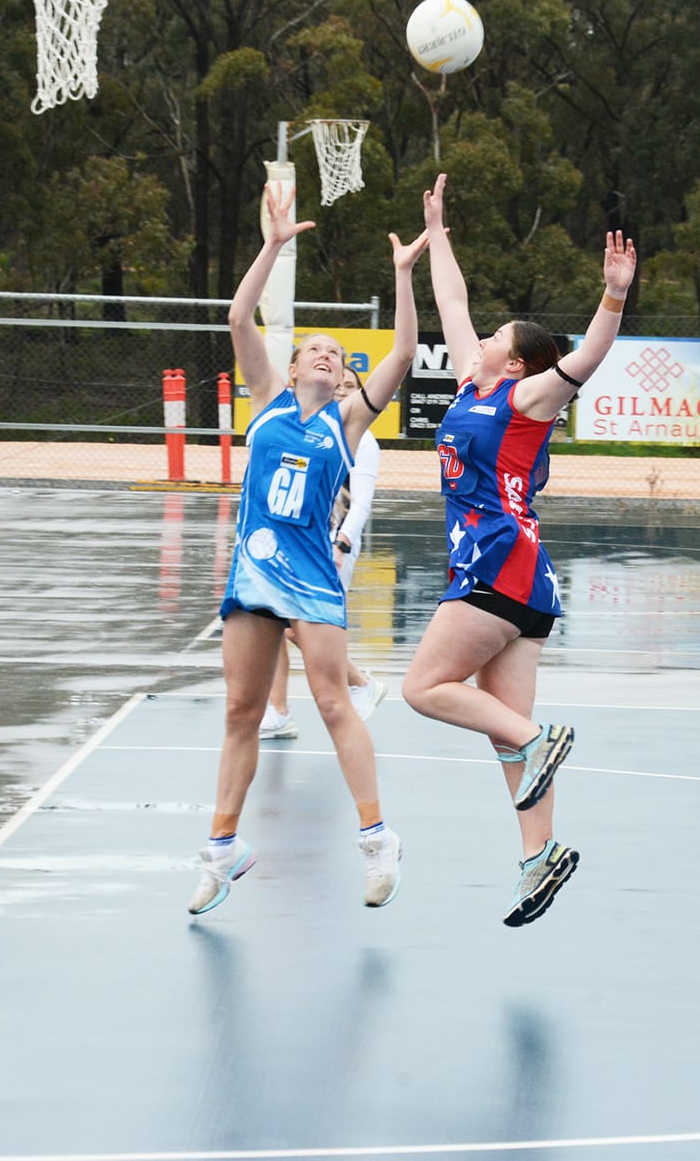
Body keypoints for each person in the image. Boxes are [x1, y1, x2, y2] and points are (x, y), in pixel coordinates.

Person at [400, 172, 637, 927]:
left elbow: (586, 358)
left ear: (515, 363)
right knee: (506, 737)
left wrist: (614, 295)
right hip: (524, 580)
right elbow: (454, 302)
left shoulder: (527, 400)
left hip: (497, 563)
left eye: (495, 339)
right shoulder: (474, 387)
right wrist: (438, 234)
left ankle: (545, 739)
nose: (479, 340)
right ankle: (539, 856)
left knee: (424, 689)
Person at [190, 180, 428, 916]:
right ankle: (223, 848)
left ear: (343, 375)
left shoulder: (347, 423)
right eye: (313, 349)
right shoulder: (266, 402)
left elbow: (406, 350)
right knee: (242, 710)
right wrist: (271, 246)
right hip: (254, 572)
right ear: (292, 367)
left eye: (336, 352)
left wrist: (403, 275)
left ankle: (377, 838)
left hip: (313, 574)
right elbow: (238, 316)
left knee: (331, 700)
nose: (325, 355)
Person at [258, 366, 389, 739]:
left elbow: (360, 503)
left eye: (351, 386)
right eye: (338, 384)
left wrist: (341, 543)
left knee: (303, 630)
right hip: (299, 542)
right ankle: (278, 711)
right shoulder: (311, 430)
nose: (342, 390)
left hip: (332, 545)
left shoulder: (363, 439)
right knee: (274, 622)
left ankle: (360, 682)